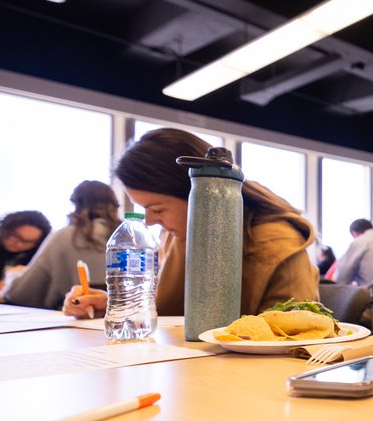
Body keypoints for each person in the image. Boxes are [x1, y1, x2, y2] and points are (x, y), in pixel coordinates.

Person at [61, 128, 318, 318]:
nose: (149, 222)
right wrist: (116, 306)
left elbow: (298, 333)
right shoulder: (176, 236)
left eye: (157, 208)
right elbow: (172, 316)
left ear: (200, 194)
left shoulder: (277, 242)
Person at [4, 181, 120, 309]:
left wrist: (12, 276)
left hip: (73, 316)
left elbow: (21, 294)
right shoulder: (128, 237)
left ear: (75, 203)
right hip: (121, 320)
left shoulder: (65, 236)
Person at [0, 210, 52, 292]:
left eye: (28, 242)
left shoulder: (35, 255)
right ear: (5, 229)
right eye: (16, 237)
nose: (20, 244)